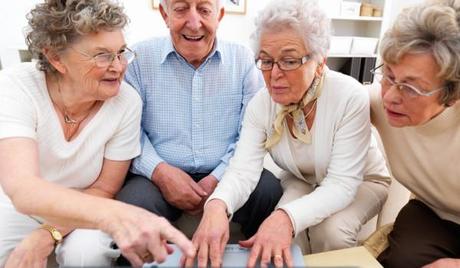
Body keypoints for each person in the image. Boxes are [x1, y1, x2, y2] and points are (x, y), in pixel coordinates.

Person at [185, 0, 391, 266]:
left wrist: (286, 217)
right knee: (285, 238)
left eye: (290, 61)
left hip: (362, 180)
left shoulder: (348, 96)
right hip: (302, 178)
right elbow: (243, 170)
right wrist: (217, 206)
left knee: (331, 232)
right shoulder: (261, 104)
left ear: (319, 61)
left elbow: (342, 184)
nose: (275, 75)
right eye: (266, 61)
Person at [0, 0, 194, 267]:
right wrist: (123, 215)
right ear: (56, 57)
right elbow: (23, 188)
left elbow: (104, 188)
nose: (118, 66)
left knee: (87, 255)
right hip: (20, 206)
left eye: (122, 52)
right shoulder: (16, 87)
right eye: (102, 55)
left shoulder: (127, 102)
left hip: (86, 205)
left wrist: (49, 233)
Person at [115, 0, 283, 242]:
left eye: (204, 10)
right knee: (131, 202)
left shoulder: (244, 60)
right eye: (181, 9)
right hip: (159, 174)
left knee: (269, 191)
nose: (194, 23)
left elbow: (250, 134)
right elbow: (129, 130)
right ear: (165, 14)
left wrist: (219, 178)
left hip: (228, 171)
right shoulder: (138, 60)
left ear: (219, 15)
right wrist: (160, 172)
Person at [368, 0, 460, 267]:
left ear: (451, 95)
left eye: (412, 88)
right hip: (432, 212)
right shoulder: (379, 102)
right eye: (388, 74)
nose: (391, 97)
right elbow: (332, 93)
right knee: (400, 260)